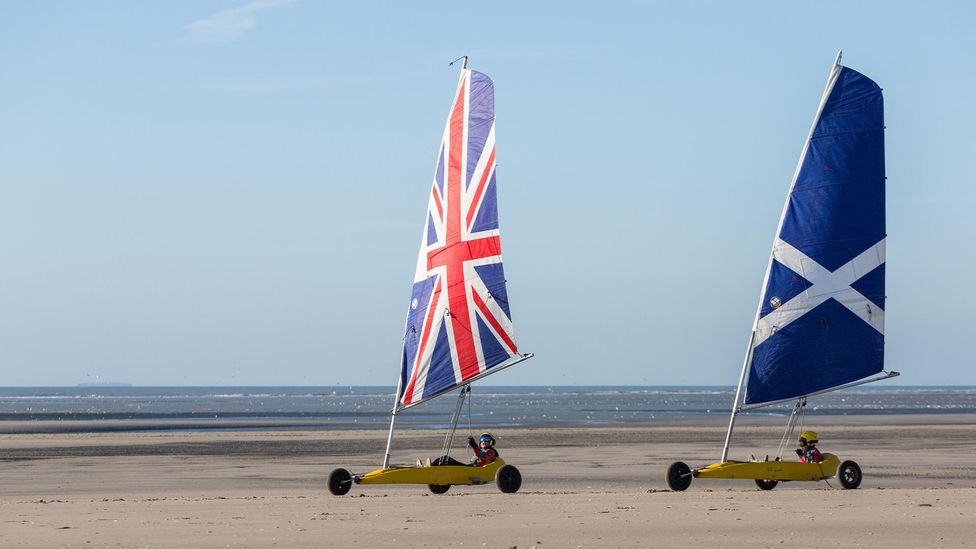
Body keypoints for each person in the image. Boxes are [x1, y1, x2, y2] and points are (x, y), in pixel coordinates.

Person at [430, 432, 499, 467]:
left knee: (447, 459)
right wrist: (474, 446)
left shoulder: (491, 452)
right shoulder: (481, 450)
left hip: (474, 470)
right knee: (446, 460)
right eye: (482, 439)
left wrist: (474, 445)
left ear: (491, 442)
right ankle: (432, 466)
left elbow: (481, 455)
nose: (483, 441)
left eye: (486, 439)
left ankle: (432, 467)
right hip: (470, 468)